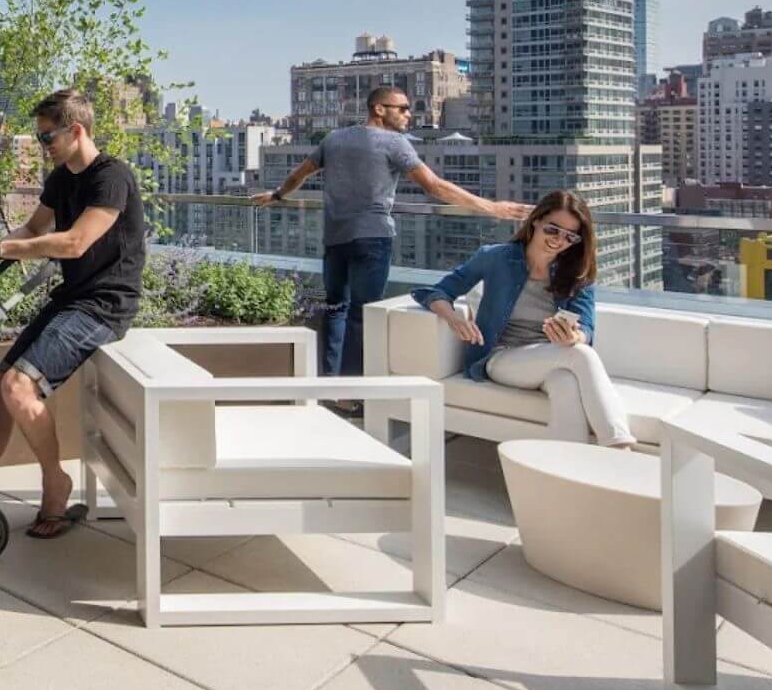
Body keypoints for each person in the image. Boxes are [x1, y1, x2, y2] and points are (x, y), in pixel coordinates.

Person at [0, 87, 147, 539]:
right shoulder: (61, 179)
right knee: (3, 387)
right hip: (73, 297)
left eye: (47, 137)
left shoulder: (111, 177)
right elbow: (34, 227)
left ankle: (56, 483)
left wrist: (1, 249)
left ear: (76, 130)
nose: (42, 145)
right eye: (39, 137)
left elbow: (74, 242)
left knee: (18, 387)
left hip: (105, 304)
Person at [253, 86, 531, 389]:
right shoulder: (394, 143)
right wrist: (492, 207)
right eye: (402, 108)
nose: (409, 114)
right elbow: (434, 186)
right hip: (373, 239)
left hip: (335, 239)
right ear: (379, 109)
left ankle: (331, 384)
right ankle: (351, 392)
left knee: (335, 309)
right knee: (363, 315)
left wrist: (277, 194)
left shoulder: (333, 139)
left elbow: (299, 174)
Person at [412, 191, 634, 448]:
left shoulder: (577, 272)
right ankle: (620, 448)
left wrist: (574, 336)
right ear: (536, 220)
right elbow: (437, 292)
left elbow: (586, 326)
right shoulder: (496, 257)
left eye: (569, 236)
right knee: (581, 354)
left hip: (551, 358)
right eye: (553, 229)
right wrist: (454, 320)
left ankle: (568, 466)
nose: (558, 240)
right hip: (501, 357)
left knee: (566, 384)